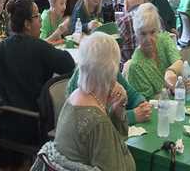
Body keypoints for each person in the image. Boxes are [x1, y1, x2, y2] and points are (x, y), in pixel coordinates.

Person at [0, 0, 75, 159]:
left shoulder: (1, 48)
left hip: (7, 120)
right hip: (36, 125)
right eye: (36, 17)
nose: (41, 22)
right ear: (27, 24)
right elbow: (69, 65)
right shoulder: (40, 48)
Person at [49, 32, 135, 170]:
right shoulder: (98, 122)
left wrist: (116, 110)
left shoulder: (76, 97)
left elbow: (117, 140)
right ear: (110, 73)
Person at [126, 3, 190, 99]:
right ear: (136, 34)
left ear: (158, 30)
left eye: (152, 32)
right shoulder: (135, 66)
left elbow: (179, 62)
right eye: (143, 34)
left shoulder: (164, 39)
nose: (148, 39)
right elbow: (147, 102)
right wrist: (176, 90)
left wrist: (170, 71)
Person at [66, 67, 151, 125]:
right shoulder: (84, 79)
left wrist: (141, 103)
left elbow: (131, 93)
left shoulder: (109, 68)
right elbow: (95, 121)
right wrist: (132, 116)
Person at [117, 0, 144, 64]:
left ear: (126, 3)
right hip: (153, 69)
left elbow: (113, 49)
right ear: (142, 1)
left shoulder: (125, 21)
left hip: (129, 70)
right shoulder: (155, 16)